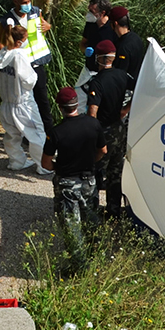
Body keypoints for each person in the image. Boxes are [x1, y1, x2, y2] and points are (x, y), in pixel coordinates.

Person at [42, 86, 106, 237]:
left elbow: (45, 163)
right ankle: (94, 250)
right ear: (77, 104)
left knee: (71, 228)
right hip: (89, 180)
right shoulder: (93, 124)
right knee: (90, 221)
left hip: (66, 182)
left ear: (60, 107)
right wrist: (91, 161)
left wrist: (58, 168)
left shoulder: (56, 132)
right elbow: (103, 150)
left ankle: (78, 258)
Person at [83, 40, 133, 219]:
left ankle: (92, 210)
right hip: (119, 128)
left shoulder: (97, 83)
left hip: (103, 131)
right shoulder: (122, 75)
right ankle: (114, 210)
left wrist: (90, 136)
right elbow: (139, 91)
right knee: (116, 171)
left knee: (94, 170)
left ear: (99, 58)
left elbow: (92, 112)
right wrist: (125, 110)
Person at [0, 0, 54, 137]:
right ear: (15, 1)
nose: (28, 5)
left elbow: (44, 25)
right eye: (24, 2)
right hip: (20, 67)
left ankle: (49, 133)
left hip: (37, 62)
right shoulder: (7, 20)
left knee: (43, 100)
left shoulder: (35, 12)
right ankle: (28, 135)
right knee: (25, 102)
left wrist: (48, 26)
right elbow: (1, 43)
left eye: (29, 1)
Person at [0, 25, 48, 174]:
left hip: (6, 103)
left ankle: (17, 161)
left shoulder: (1, 54)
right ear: (19, 42)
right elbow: (29, 80)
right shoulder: (19, 55)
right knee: (37, 133)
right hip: (23, 103)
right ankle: (43, 166)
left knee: (12, 135)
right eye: (25, 39)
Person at [109, 5, 148, 86]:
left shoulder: (123, 46)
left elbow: (120, 73)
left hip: (127, 87)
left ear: (115, 23)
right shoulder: (136, 38)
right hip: (138, 84)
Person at [79, 0, 113, 75]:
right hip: (88, 69)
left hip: (105, 71)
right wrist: (85, 50)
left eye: (92, 11)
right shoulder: (90, 24)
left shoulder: (111, 27)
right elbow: (82, 43)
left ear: (102, 13)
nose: (89, 14)